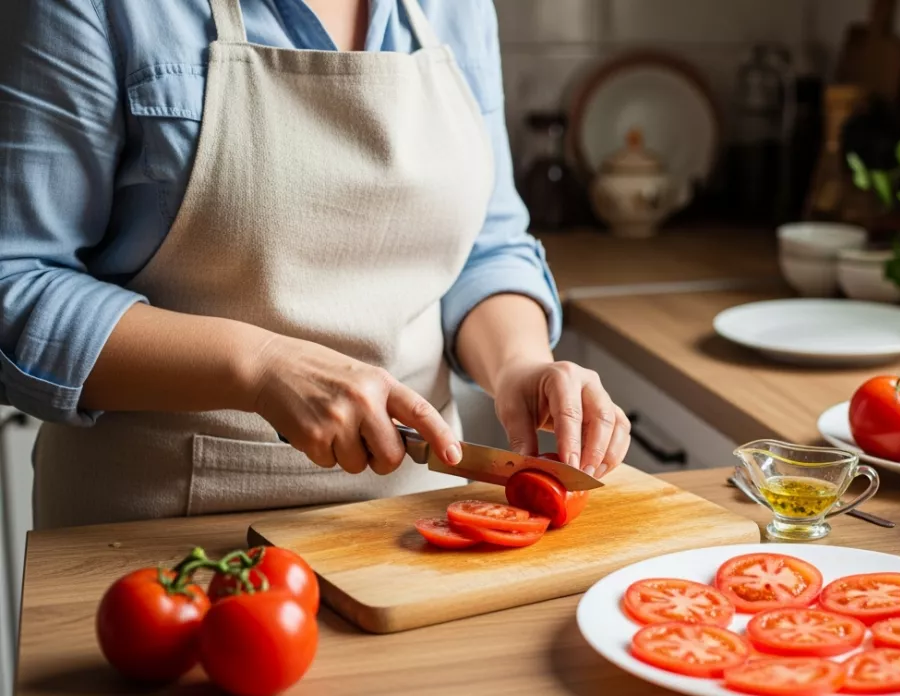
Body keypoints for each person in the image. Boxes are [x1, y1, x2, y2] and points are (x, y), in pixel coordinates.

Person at [0, 0, 631, 529]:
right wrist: (259, 366)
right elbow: (16, 284)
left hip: (416, 517)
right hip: (159, 534)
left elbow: (486, 246)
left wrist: (519, 362)